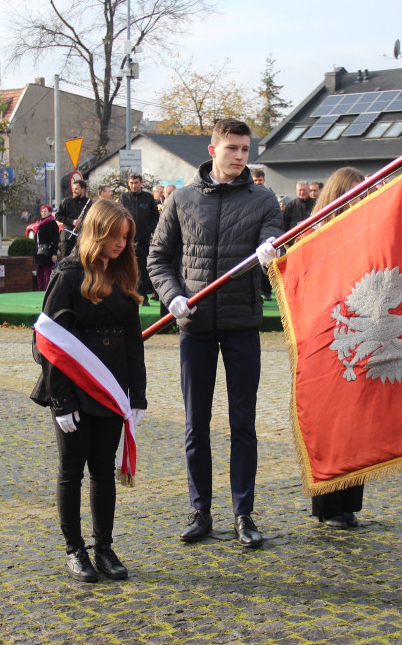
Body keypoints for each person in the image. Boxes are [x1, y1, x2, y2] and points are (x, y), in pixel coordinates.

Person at [148, 118, 283, 548]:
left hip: (242, 325)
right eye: (232, 149)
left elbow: (276, 241)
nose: (240, 156)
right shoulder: (182, 200)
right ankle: (200, 510)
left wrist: (271, 253)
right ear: (212, 150)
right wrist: (172, 296)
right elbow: (158, 258)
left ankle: (244, 513)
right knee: (196, 424)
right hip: (196, 326)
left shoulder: (264, 201)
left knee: (243, 423)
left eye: (245, 149)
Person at [33, 199, 147, 583]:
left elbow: (133, 341)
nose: (121, 243)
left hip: (111, 389)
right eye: (116, 235)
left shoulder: (122, 273)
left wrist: (138, 395)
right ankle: (75, 549)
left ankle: (104, 548)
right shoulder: (67, 275)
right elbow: (46, 344)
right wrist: (61, 400)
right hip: (73, 391)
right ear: (98, 231)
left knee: (102, 470)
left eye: (126, 237)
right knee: (72, 471)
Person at [304, 166, 368, 528]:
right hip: (326, 334)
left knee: (358, 421)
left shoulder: (366, 230)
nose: (361, 196)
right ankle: (327, 505)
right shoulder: (315, 232)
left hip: (358, 332)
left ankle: (349, 502)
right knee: (330, 421)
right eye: (355, 191)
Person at [119, 172, 159, 300]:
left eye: (136, 183)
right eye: (131, 183)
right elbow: (118, 215)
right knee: (126, 265)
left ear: (141, 183)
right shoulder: (124, 197)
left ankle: (142, 295)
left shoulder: (148, 197)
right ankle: (127, 292)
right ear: (128, 183)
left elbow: (155, 217)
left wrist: (149, 230)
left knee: (142, 267)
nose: (134, 185)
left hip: (143, 239)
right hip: (127, 238)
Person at [57, 179, 92, 258]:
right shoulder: (66, 202)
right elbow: (58, 216)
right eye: (73, 189)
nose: (74, 191)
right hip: (68, 236)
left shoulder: (89, 203)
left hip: (82, 236)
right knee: (66, 260)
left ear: (83, 190)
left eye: (76, 189)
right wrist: (72, 221)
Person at [34, 204, 60, 291]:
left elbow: (55, 239)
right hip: (39, 251)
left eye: (45, 211)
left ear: (49, 212)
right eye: (42, 211)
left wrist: (54, 253)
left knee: (47, 271)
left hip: (48, 250)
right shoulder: (40, 223)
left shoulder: (52, 223)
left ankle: (47, 289)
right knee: (39, 270)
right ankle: (40, 288)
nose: (43, 213)